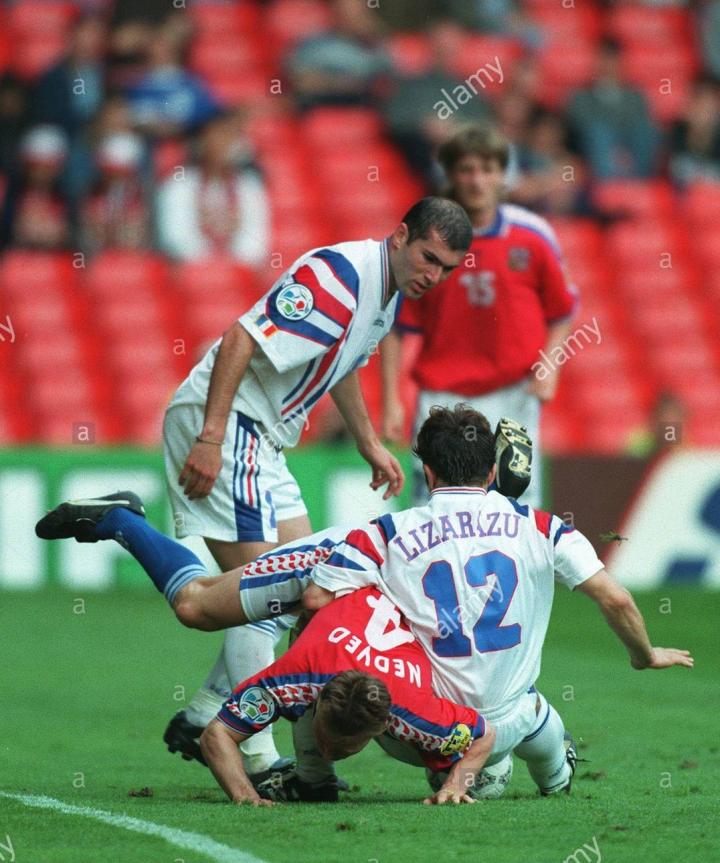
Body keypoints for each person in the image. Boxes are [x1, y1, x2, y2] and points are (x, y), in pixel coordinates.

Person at [160, 196, 472, 780]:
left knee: (307, 589)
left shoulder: (386, 295)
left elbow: (342, 365)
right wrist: (211, 435)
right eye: (429, 258)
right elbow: (239, 338)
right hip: (232, 426)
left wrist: (368, 442)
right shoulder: (337, 278)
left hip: (265, 437)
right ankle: (255, 759)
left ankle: (204, 713)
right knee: (263, 599)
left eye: (447, 268)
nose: (434, 275)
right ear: (400, 236)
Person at [382, 124, 578, 508]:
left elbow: (563, 311)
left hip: (514, 394)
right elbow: (394, 324)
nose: (477, 180)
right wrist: (391, 400)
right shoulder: (427, 240)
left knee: (518, 506)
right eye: (467, 169)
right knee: (435, 507)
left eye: (487, 169)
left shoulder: (532, 236)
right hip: (442, 400)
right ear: (451, 174)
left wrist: (550, 366)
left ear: (503, 175)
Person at [156, 113, 270, 265]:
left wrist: (230, 266)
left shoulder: (250, 187)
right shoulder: (177, 186)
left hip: (239, 271)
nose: (229, 143)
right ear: (201, 142)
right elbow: (176, 239)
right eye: (221, 135)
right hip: (193, 271)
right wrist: (213, 268)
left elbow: (256, 244)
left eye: (234, 135)